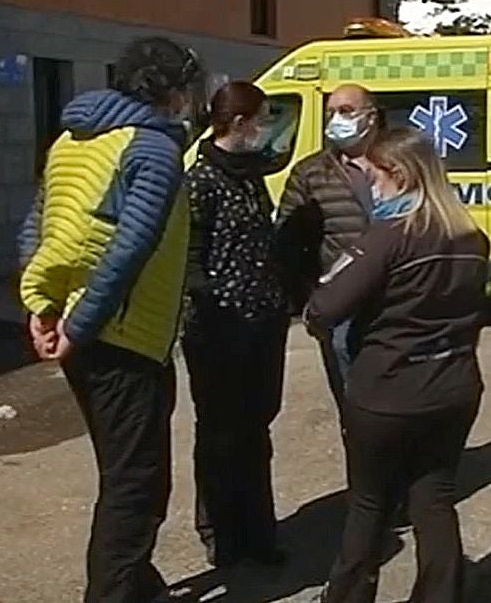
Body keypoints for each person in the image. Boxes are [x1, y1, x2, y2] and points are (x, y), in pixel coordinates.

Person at [18, 36, 204, 603]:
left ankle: (140, 584)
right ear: (171, 92)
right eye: (191, 90)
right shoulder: (152, 149)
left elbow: (39, 223)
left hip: (85, 325)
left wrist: (43, 306)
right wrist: (80, 324)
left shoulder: (73, 139)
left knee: (125, 469)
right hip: (123, 333)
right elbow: (131, 246)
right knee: (136, 485)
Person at [304, 127, 489, 603]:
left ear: (401, 176)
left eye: (376, 178)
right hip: (454, 385)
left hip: (388, 390)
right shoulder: (471, 236)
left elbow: (326, 309)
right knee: (434, 498)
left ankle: (346, 596)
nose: (372, 188)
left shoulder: (388, 237)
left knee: (368, 503)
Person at [183, 81, 289, 567]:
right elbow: (190, 260)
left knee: (256, 429)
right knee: (220, 433)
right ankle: (221, 530)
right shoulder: (200, 180)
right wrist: (213, 309)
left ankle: (257, 530)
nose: (268, 129)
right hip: (219, 330)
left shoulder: (250, 175)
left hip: (262, 325)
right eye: (264, 119)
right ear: (240, 123)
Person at [275, 83, 383, 421]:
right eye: (332, 113)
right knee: (351, 401)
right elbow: (288, 241)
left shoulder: (400, 164)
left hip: (394, 299)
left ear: (371, 117)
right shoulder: (311, 172)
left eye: (347, 111)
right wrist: (311, 301)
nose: (337, 120)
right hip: (340, 303)